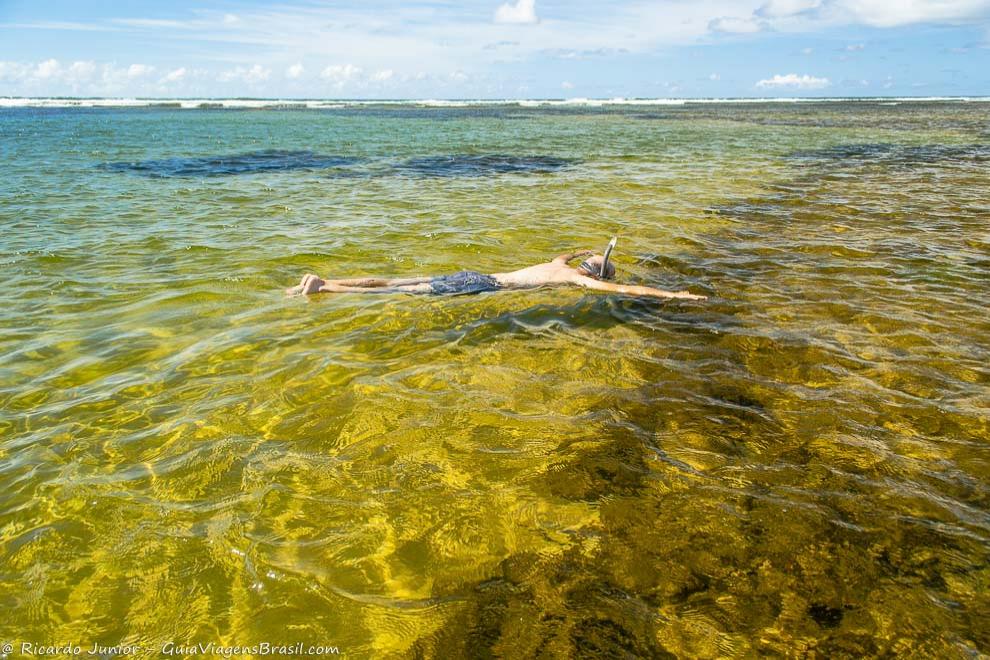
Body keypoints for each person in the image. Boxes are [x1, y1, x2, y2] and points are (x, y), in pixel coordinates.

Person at [286, 241, 706, 300]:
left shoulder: (560, 264)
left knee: (397, 282)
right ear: (595, 275)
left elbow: (565, 253)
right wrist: (675, 295)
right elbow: (628, 292)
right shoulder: (574, 279)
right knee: (396, 293)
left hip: (476, 272)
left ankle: (325, 281)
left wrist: (585, 247)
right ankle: (323, 289)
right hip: (482, 285)